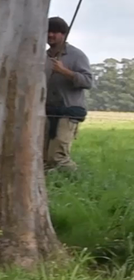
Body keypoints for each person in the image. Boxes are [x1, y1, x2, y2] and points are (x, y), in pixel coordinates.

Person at [44, 16, 94, 172]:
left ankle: (80, 180)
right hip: (47, 112)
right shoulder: (42, 56)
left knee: (58, 157)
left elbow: (88, 82)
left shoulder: (77, 55)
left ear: (64, 34)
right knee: (43, 157)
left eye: (55, 32)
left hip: (68, 111)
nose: (50, 35)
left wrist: (64, 72)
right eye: (47, 31)